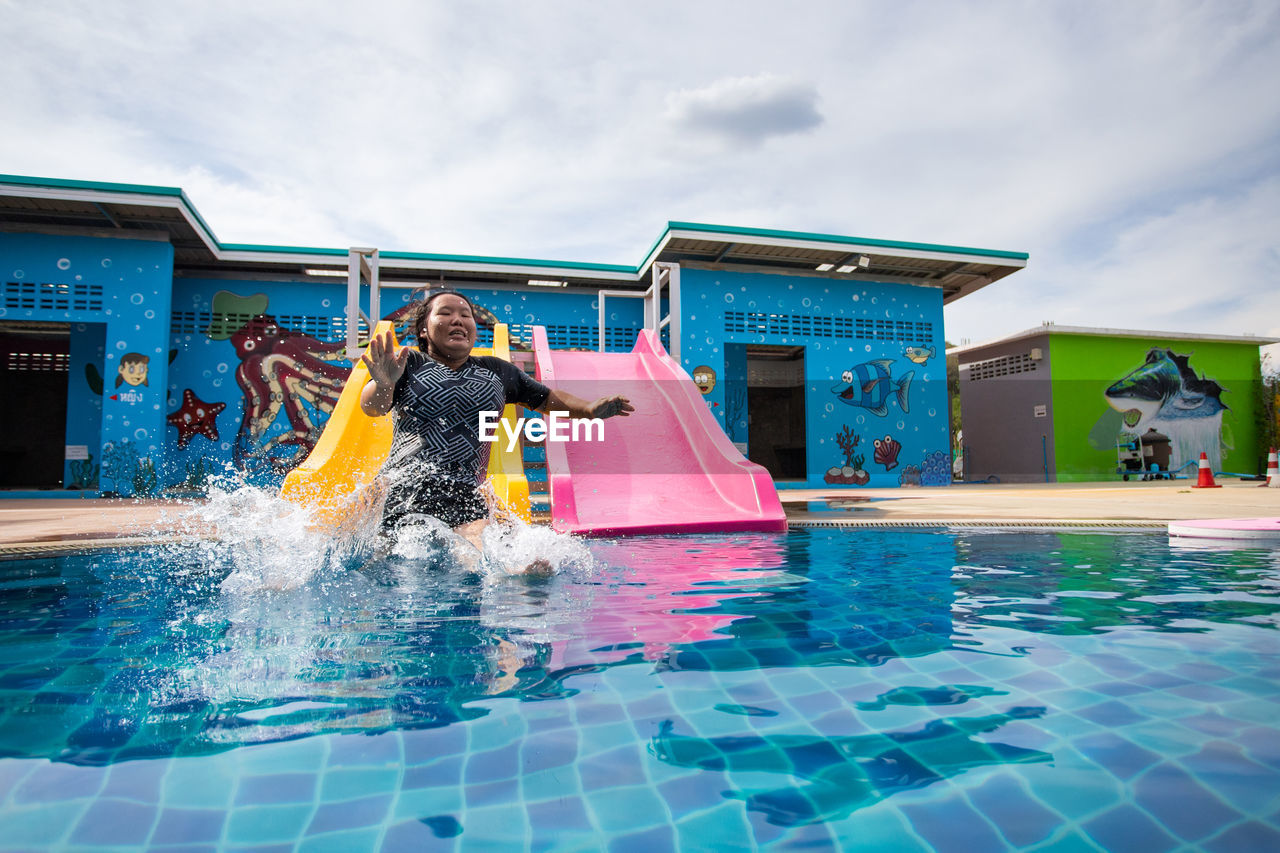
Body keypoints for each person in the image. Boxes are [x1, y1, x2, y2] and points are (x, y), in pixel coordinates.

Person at [359, 290, 633, 555]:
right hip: (405, 488)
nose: (458, 319)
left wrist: (588, 409)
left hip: (464, 492)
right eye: (445, 313)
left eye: (466, 315)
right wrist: (384, 384)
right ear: (423, 330)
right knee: (381, 560)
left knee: (478, 558)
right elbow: (372, 408)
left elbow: (547, 398)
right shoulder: (409, 363)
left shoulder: (496, 371)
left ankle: (525, 579)